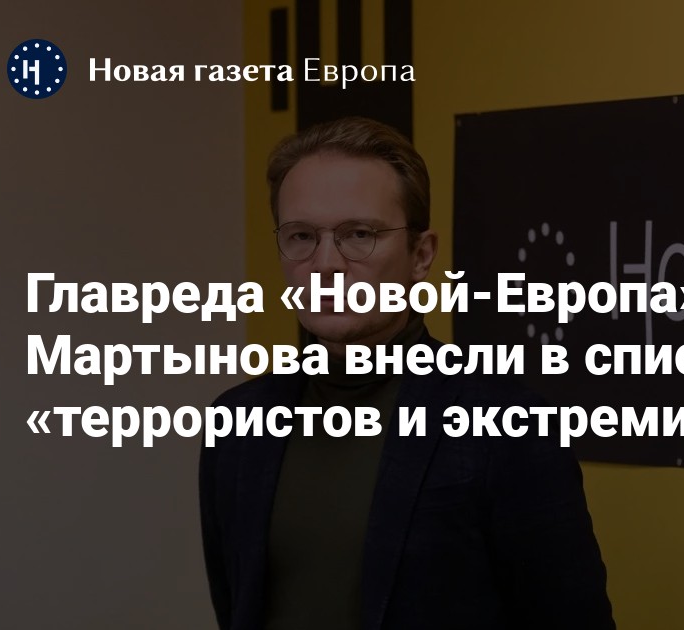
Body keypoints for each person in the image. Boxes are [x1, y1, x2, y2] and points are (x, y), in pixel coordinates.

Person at [199, 116, 615, 630]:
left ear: (421, 255)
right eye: (302, 236)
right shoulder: (237, 424)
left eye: (359, 234)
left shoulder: (505, 424)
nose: (325, 265)